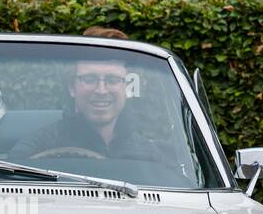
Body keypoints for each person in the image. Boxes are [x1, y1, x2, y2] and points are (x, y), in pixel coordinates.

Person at [9, 27, 156, 161]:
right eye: (90, 79)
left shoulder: (149, 154)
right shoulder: (36, 145)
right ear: (72, 87)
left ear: (126, 87)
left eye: (112, 80)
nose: (101, 90)